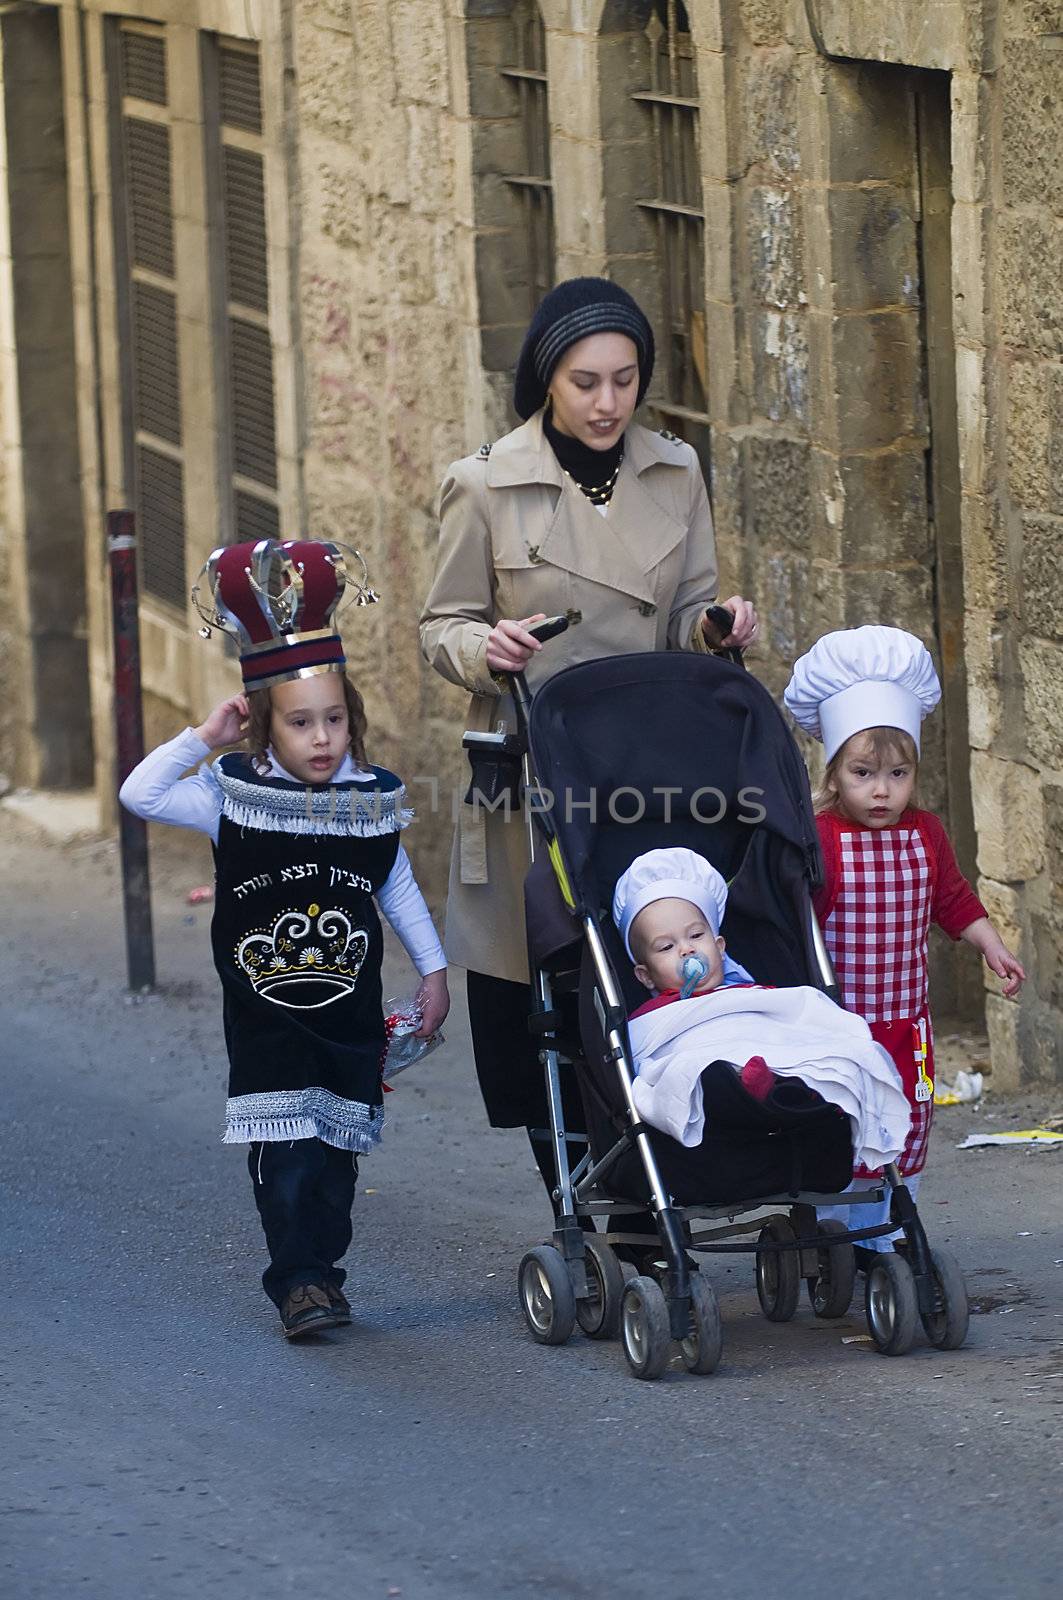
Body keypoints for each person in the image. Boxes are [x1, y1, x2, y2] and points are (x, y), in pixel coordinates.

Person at [419, 276, 758, 1202]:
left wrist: (717, 629)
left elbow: (690, 608)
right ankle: (577, 1194)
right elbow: (438, 622)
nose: (607, 403)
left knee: (647, 963)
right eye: (584, 382)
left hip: (645, 764)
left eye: (624, 378)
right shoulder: (483, 483)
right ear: (546, 383)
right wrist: (481, 646)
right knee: (547, 977)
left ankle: (655, 1201)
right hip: (531, 764)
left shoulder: (676, 471)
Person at [121, 538, 449, 1339]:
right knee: (287, 1158)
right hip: (265, 1016)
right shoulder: (232, 795)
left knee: (335, 1159)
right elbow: (140, 793)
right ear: (265, 726)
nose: (322, 738)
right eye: (300, 723)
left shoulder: (367, 800)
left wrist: (433, 972)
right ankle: (297, 1283)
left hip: (348, 1014)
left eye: (334, 719)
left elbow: (394, 884)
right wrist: (203, 737)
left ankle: (324, 1275)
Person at [784, 625, 1025, 1256]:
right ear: (834, 771)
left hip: (908, 1021)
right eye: (864, 773)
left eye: (898, 773)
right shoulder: (821, 838)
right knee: (847, 1117)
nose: (883, 790)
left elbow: (951, 899)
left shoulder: (927, 834)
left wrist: (989, 942)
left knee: (911, 1114)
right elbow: (791, 921)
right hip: (841, 1022)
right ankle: (847, 1225)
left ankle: (896, 1219)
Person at [611, 848, 911, 1168]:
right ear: (644, 975)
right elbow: (648, 1056)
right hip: (706, 1068)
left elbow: (789, 1015)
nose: (687, 950)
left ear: (719, 946)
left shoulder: (748, 993)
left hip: (764, 1054)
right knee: (682, 1070)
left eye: (696, 935)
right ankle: (746, 1084)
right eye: (666, 947)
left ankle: (800, 1086)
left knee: (827, 1048)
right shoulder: (657, 1016)